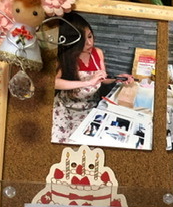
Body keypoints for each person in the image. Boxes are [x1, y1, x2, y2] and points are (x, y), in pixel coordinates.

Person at [51, 12, 133, 144]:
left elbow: (102, 79)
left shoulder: (97, 53)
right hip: (65, 108)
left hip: (89, 107)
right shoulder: (66, 57)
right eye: (83, 41)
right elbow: (54, 83)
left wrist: (117, 78)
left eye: (90, 36)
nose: (89, 43)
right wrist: (87, 82)